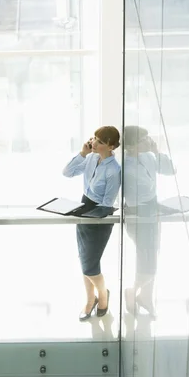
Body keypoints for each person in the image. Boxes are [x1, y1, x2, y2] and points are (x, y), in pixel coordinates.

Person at [63, 126, 121, 321]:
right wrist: (82, 153)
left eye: (100, 142)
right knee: (84, 260)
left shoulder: (114, 170)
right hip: (84, 208)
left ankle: (103, 296)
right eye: (94, 139)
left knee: (90, 265)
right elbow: (67, 172)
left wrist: (87, 214)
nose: (94, 143)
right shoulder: (90, 158)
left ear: (111, 146)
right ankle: (90, 300)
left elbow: (107, 203)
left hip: (99, 216)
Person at [123, 126, 175, 317]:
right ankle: (132, 291)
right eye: (144, 139)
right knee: (148, 261)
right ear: (131, 145)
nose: (149, 140)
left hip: (152, 214)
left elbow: (171, 170)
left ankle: (146, 297)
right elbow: (143, 193)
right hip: (139, 217)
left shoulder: (148, 156)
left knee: (152, 256)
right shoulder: (126, 168)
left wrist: (156, 151)